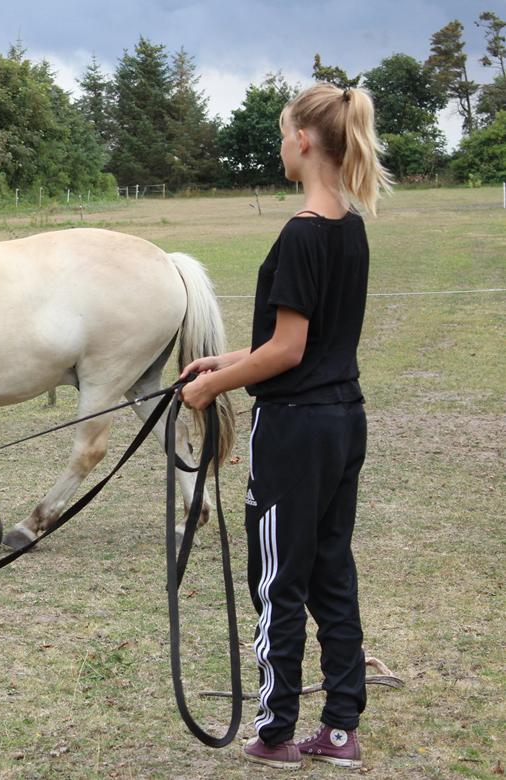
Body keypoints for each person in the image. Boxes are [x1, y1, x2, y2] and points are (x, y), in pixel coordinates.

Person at [180, 82, 393, 771]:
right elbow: (300, 341)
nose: (279, 145)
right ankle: (339, 730)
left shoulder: (302, 232)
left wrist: (212, 386)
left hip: (295, 431)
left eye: (281, 134)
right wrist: (223, 359)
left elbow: (289, 352)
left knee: (278, 583)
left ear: (304, 140)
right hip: (341, 422)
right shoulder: (348, 227)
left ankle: (275, 733)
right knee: (332, 571)